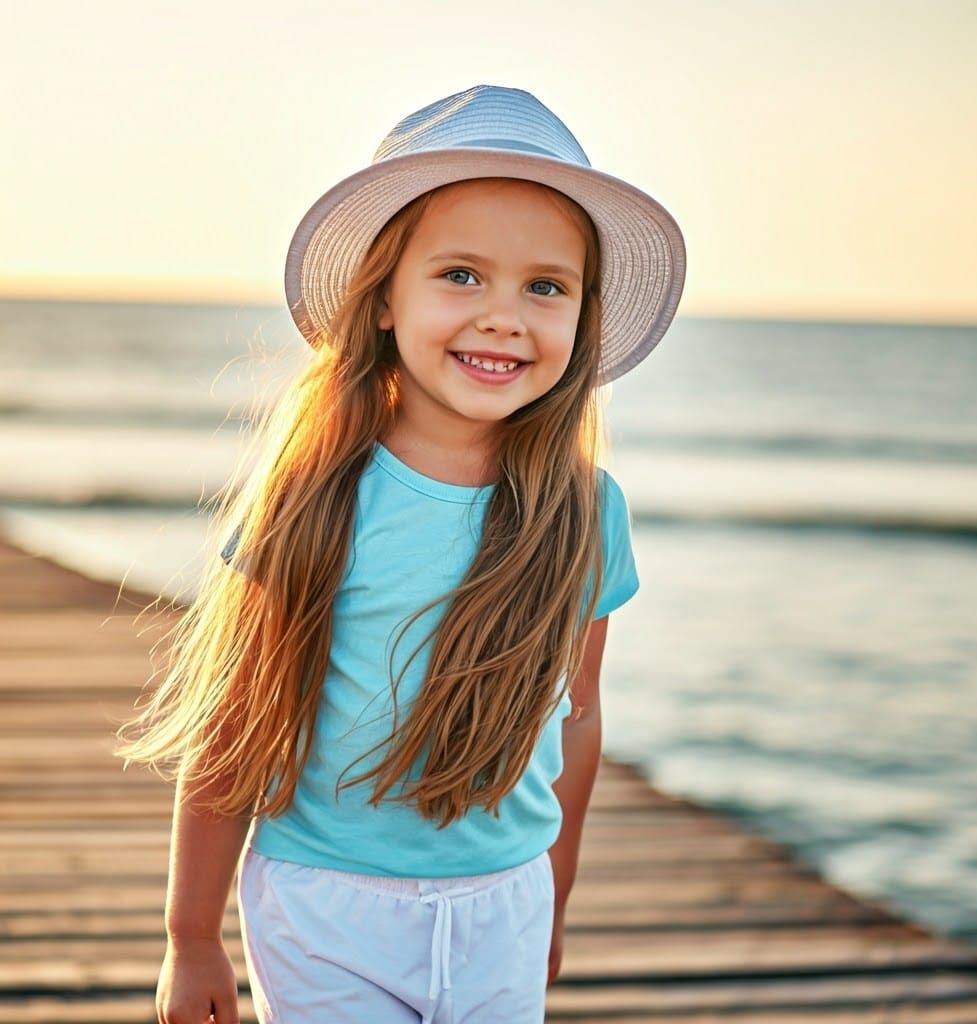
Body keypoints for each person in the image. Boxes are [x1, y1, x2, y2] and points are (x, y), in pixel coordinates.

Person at [114, 83, 686, 1024]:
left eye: (545, 286)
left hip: (506, 900)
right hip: (324, 905)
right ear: (382, 299)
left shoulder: (584, 509)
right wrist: (189, 937)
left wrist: (557, 895)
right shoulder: (320, 495)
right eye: (461, 274)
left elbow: (577, 716)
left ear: (581, 320)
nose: (504, 316)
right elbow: (234, 725)